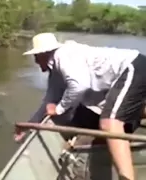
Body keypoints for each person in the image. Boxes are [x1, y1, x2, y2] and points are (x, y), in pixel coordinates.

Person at [16, 32, 146, 180]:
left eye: (36, 57)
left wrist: (59, 109)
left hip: (132, 67)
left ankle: (126, 178)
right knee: (126, 108)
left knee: (110, 123)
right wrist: (29, 125)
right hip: (136, 67)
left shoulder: (62, 56)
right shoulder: (56, 71)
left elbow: (78, 86)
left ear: (43, 54)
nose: (36, 61)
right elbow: (48, 101)